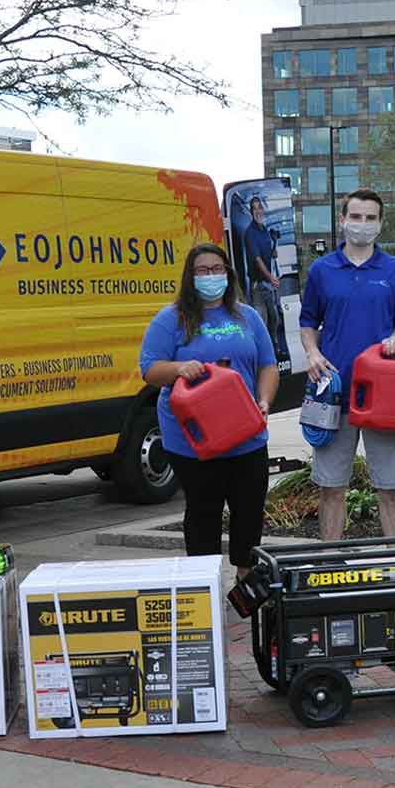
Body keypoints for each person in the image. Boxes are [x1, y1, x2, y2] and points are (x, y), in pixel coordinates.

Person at [138, 243, 280, 578]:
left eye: (217, 269)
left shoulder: (248, 316)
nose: (210, 276)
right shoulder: (172, 319)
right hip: (194, 440)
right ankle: (203, 588)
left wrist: (264, 400)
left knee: (249, 512)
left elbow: (268, 365)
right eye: (202, 270)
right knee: (203, 514)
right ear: (190, 276)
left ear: (228, 274)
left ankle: (246, 588)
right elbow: (149, 368)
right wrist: (177, 368)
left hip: (245, 432)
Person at [299, 190, 395, 540]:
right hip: (334, 393)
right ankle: (329, 563)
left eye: (370, 218)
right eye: (355, 216)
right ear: (342, 220)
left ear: (380, 223)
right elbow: (308, 321)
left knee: (392, 488)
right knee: (330, 487)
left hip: (384, 397)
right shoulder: (322, 270)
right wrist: (312, 352)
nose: (362, 224)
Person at [241, 195, 289, 359]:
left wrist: (273, 252)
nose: (258, 211)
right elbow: (257, 259)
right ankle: (264, 355)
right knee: (262, 320)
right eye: (254, 208)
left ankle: (274, 348)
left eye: (260, 207)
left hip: (268, 284)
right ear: (251, 212)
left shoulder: (265, 231)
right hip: (259, 284)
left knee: (274, 317)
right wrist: (270, 277)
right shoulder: (250, 233)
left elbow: (267, 253)